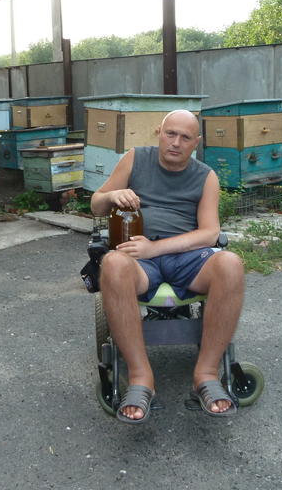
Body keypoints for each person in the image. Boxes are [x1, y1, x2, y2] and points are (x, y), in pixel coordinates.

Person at [90, 109, 245, 423]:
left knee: (230, 263)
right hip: (138, 256)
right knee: (113, 263)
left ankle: (205, 374)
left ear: (196, 143)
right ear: (159, 132)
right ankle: (141, 378)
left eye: (185, 137)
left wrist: (156, 248)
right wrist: (113, 195)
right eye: (170, 133)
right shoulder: (135, 158)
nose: (176, 142)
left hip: (186, 257)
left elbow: (209, 233)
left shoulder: (206, 176)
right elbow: (96, 204)